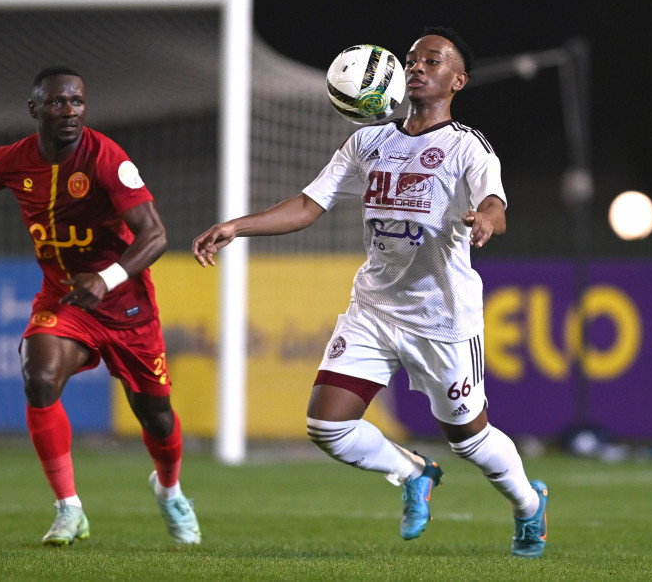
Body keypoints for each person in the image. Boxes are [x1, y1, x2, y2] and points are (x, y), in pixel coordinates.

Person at [193, 28, 548, 557]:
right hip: (375, 308)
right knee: (326, 426)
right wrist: (237, 227)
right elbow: (310, 204)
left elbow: (494, 200)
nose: (418, 67)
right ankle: (412, 472)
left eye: (433, 60)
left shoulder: (465, 145)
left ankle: (527, 504)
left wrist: (486, 221)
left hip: (441, 318)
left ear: (459, 79)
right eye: (412, 59)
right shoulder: (368, 140)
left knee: (469, 439)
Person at [0, 67, 201, 547]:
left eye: (77, 102)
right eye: (57, 103)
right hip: (65, 299)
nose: (69, 112)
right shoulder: (10, 161)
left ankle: (169, 490)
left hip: (126, 304)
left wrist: (106, 280)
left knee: (157, 416)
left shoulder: (107, 157)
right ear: (34, 109)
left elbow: (156, 236)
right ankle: (69, 509)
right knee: (39, 375)